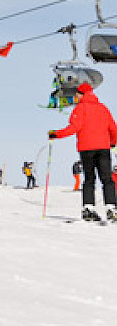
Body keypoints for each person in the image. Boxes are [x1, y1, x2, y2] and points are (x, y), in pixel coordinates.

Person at [49, 82, 117, 222]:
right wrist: (112, 142)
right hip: (103, 148)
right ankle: (111, 208)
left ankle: (88, 209)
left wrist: (56, 134)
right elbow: (113, 128)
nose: (76, 97)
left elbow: (73, 128)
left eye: (77, 94)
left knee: (89, 179)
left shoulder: (80, 109)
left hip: (86, 150)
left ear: (81, 94)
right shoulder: (103, 108)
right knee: (107, 179)